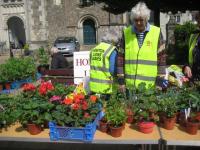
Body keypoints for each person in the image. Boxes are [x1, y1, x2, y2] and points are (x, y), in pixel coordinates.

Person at [118, 2, 165, 91]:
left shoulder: (157, 32)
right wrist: (121, 81)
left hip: (150, 86)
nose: (138, 23)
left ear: (146, 19)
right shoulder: (126, 33)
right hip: (130, 86)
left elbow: (162, 59)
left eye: (141, 20)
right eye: (136, 20)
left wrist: (160, 82)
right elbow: (120, 58)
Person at [89, 29, 119, 95]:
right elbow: (112, 70)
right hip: (107, 87)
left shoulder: (94, 49)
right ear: (114, 40)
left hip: (93, 85)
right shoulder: (111, 50)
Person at [183, 11, 200, 81]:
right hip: (194, 79)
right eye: (198, 20)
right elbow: (186, 57)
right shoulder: (193, 36)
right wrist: (186, 66)